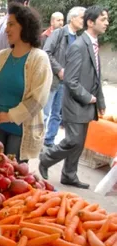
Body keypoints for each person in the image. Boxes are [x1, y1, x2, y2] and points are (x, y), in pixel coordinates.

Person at [39, 6, 108, 189]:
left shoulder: (92, 44)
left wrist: (100, 101)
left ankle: (69, 175)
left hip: (86, 103)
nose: (107, 23)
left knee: (79, 143)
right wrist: (89, 98)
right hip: (75, 102)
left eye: (107, 20)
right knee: (73, 140)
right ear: (91, 22)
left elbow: (96, 76)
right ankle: (45, 159)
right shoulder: (78, 46)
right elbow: (71, 80)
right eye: (103, 20)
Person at [0, 3, 52, 162]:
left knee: (13, 178)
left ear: (25, 26)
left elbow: (38, 99)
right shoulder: (1, 56)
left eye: (11, 24)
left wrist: (10, 116)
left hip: (20, 133)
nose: (6, 29)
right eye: (7, 24)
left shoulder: (39, 59)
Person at [42, 6, 86, 148]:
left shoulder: (78, 39)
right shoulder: (59, 33)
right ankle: (36, 141)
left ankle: (49, 141)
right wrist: (59, 69)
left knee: (57, 115)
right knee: (44, 113)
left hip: (66, 84)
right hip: (53, 81)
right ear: (72, 18)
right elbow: (46, 53)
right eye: (81, 18)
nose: (83, 21)